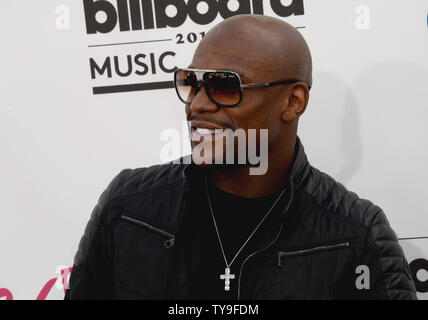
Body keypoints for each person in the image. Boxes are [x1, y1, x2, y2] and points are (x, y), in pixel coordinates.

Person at [65, 15, 417, 300]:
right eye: (192, 83)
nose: (198, 104)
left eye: (224, 86)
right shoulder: (129, 207)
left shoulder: (355, 235)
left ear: (292, 102)